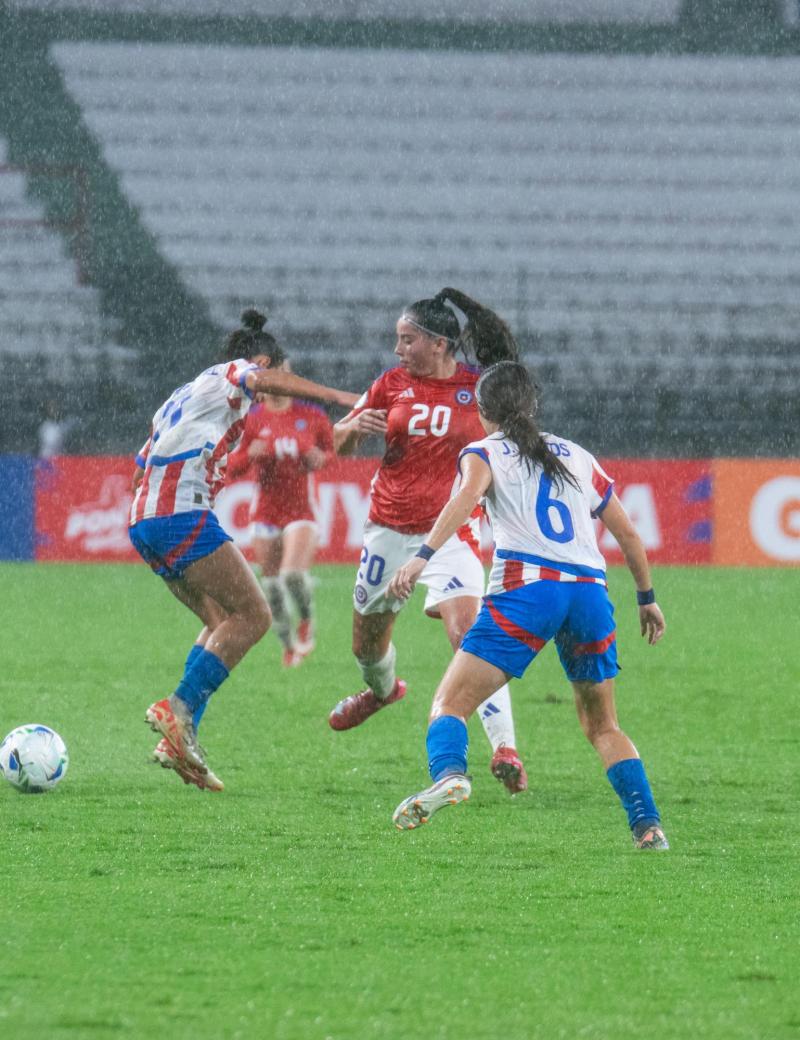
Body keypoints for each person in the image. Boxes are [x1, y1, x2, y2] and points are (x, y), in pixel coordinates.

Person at [387, 359, 669, 850]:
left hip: (528, 592)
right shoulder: (577, 455)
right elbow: (627, 534)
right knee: (604, 726)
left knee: (449, 705)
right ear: (532, 405)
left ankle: (451, 775)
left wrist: (422, 557)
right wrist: (647, 598)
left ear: (481, 411)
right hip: (589, 595)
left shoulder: (485, 451)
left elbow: (465, 499)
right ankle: (648, 826)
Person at [129, 309, 357, 792]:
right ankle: (179, 710)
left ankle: (180, 738)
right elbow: (257, 376)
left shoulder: (182, 395)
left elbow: (140, 464)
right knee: (253, 617)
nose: (279, 384)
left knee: (219, 621)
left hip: (144, 520)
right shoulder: (229, 375)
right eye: (278, 371)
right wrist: (340, 397)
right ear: (263, 360)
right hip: (180, 515)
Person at [327, 288, 529, 793]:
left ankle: (505, 747)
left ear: (439, 344)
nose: (398, 350)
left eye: (407, 339)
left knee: (471, 637)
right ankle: (382, 691)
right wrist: (354, 429)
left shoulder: (475, 389)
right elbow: (334, 441)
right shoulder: (390, 384)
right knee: (366, 646)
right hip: (387, 531)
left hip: (451, 535)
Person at [226, 361, 333, 667]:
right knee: (272, 588)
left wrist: (319, 459)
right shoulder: (252, 419)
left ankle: (307, 620)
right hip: (266, 511)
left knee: (293, 575)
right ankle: (288, 643)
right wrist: (249, 455)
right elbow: (232, 467)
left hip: (302, 509)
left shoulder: (311, 415)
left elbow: (329, 451)